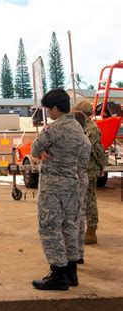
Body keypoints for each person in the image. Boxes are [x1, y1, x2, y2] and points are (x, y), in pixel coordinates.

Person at [30, 88, 87, 290]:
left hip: (53, 186)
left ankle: (58, 274)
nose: (49, 114)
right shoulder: (78, 128)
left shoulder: (53, 129)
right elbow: (85, 154)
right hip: (72, 184)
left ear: (55, 108)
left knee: (49, 227)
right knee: (69, 226)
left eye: (49, 109)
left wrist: (46, 152)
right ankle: (72, 272)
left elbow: (35, 149)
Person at [72, 101, 107, 245]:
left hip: (89, 171)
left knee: (89, 201)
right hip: (78, 170)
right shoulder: (80, 127)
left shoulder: (91, 129)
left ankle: (91, 231)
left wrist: (102, 165)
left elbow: (97, 150)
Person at [72, 111, 91, 264]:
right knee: (81, 217)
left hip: (73, 180)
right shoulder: (85, 140)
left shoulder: (74, 140)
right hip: (83, 179)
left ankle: (72, 254)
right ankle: (79, 253)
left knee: (71, 219)